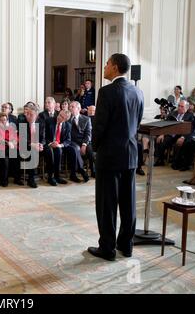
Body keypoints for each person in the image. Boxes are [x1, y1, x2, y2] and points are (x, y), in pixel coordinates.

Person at [87, 53, 144, 261]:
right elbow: (136, 124)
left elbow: (99, 126)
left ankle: (107, 248)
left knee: (106, 204)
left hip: (109, 157)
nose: (104, 66)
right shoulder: (138, 92)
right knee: (128, 203)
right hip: (130, 155)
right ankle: (126, 246)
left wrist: (94, 148)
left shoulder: (107, 92)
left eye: (107, 63)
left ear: (116, 67)